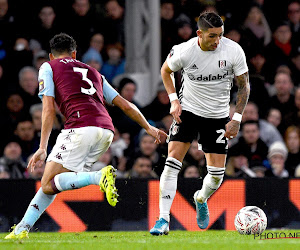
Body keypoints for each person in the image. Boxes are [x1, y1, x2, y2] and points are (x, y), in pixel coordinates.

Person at [5, 33, 167, 239]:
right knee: (52, 183)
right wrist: (148, 126)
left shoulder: (48, 67)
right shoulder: (94, 72)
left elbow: (47, 109)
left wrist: (43, 146)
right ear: (74, 53)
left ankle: (98, 176)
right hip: (106, 131)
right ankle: (21, 229)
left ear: (51, 56)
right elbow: (125, 104)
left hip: (80, 128)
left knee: (48, 183)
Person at [150, 11, 250, 235]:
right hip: (188, 111)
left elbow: (244, 85)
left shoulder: (233, 50)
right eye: (212, 36)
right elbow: (165, 71)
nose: (217, 41)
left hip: (217, 116)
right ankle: (163, 220)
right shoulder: (184, 51)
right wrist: (174, 101)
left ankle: (200, 198)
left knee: (216, 175)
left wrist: (236, 119)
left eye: (220, 35)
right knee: (172, 162)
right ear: (199, 34)